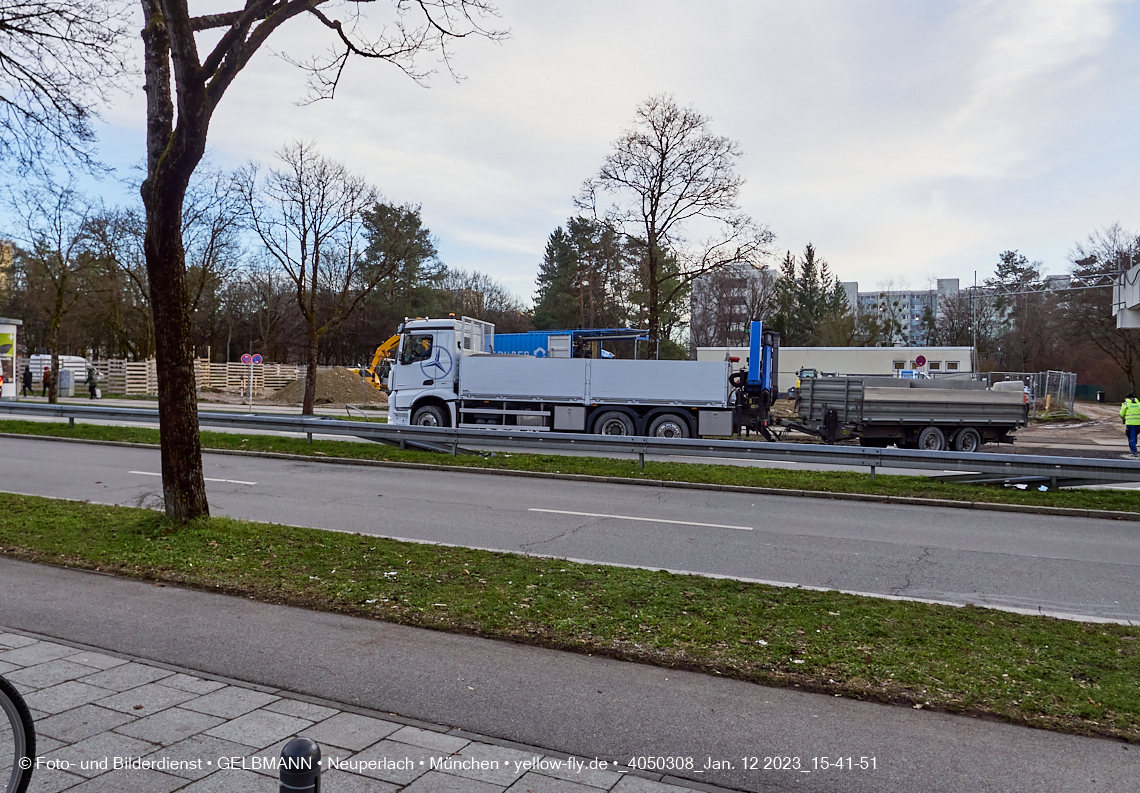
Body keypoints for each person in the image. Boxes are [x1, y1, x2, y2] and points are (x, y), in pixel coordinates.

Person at [1121, 392, 1140, 457]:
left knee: (1131, 437)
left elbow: (1122, 414)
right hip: (1138, 424)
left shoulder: (1125, 404)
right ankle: (1133, 448)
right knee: (1134, 436)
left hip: (1130, 423)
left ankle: (1133, 451)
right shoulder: (1139, 404)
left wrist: (1124, 419)